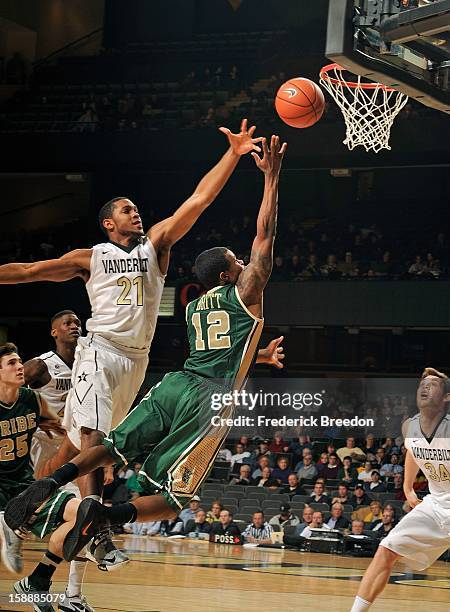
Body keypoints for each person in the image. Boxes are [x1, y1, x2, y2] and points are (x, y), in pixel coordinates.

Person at [6, 135, 287, 566]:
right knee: (93, 438)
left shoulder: (155, 245)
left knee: (100, 452)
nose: (135, 212)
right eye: (125, 209)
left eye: (136, 208)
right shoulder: (91, 256)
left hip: (137, 362)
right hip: (100, 350)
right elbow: (28, 271)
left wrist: (232, 155)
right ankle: (96, 531)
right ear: (108, 224)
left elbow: (199, 199)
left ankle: (34, 504)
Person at [350, 367, 450, 611]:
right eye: (423, 384)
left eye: (433, 385)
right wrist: (407, 487)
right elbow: (413, 453)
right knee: (386, 549)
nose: (425, 387)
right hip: (437, 504)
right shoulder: (411, 426)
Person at [0, 343, 91, 609]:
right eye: (12, 363)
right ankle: (10, 528)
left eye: (19, 361)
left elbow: (56, 425)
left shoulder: (31, 398)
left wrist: (86, 437)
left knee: (85, 514)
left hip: (25, 486)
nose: (20, 367)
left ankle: (37, 581)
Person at [24, 311, 96, 611]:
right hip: (44, 452)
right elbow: (7, 395)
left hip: (76, 448)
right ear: (54, 332)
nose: (74, 326)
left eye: (77, 322)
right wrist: (36, 419)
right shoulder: (40, 365)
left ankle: (73, 595)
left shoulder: (86, 362)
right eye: (67, 323)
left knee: (89, 519)